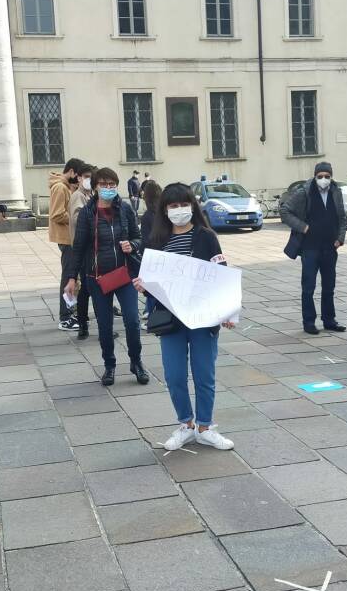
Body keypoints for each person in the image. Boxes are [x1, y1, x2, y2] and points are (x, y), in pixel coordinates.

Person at [134, 183, 236, 452]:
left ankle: (205, 426)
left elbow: (221, 274)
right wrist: (143, 286)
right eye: (173, 206)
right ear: (165, 210)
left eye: (183, 204)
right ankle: (186, 424)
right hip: (171, 319)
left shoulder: (206, 236)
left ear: (192, 205)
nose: (179, 210)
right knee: (175, 375)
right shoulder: (156, 241)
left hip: (203, 317)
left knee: (204, 374)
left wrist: (227, 311)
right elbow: (151, 279)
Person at [64, 168, 149, 386]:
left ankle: (136, 362)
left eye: (112, 185)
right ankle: (109, 366)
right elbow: (78, 247)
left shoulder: (125, 210)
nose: (109, 188)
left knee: (132, 320)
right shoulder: (87, 213)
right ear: (95, 187)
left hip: (124, 274)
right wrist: (72, 277)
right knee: (104, 325)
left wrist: (133, 245)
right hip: (97, 277)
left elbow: (139, 238)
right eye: (104, 184)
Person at [279, 162, 347, 335]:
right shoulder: (304, 192)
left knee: (329, 286)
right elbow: (285, 210)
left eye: (327, 176)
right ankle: (309, 321)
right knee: (308, 286)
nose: (324, 179)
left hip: (330, 247)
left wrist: (340, 238)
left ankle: (329, 320)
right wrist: (303, 227)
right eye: (320, 176)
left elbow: (341, 217)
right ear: (315, 176)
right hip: (310, 247)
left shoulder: (336, 191)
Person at [49, 158, 84, 331]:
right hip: (66, 239)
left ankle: (73, 312)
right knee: (68, 277)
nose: (79, 180)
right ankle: (65, 317)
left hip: (71, 239)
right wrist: (78, 219)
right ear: (71, 172)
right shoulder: (60, 188)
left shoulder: (67, 187)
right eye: (78, 176)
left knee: (74, 278)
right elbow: (56, 214)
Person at [67, 163, 95, 340]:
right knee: (86, 288)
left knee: (87, 288)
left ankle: (84, 324)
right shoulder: (78, 196)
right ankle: (82, 324)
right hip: (84, 248)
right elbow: (78, 220)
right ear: (78, 178)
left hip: (89, 248)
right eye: (86, 177)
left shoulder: (88, 194)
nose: (89, 180)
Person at [139, 179, 164, 319]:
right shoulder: (163, 214)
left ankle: (149, 312)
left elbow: (145, 239)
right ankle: (148, 310)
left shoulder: (147, 216)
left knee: (152, 285)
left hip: (151, 255)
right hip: (163, 253)